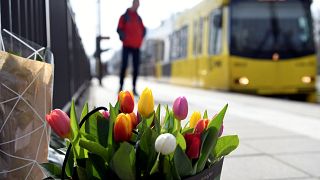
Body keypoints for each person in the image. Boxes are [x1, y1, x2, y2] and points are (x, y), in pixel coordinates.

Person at [117, 0, 146, 96]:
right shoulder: (124, 16)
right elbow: (119, 28)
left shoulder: (139, 18)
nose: (137, 6)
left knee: (136, 67)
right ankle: (120, 87)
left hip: (136, 46)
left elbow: (143, 29)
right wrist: (123, 37)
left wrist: (141, 39)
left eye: (139, 5)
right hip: (126, 45)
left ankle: (134, 88)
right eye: (136, 4)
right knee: (124, 66)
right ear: (133, 3)